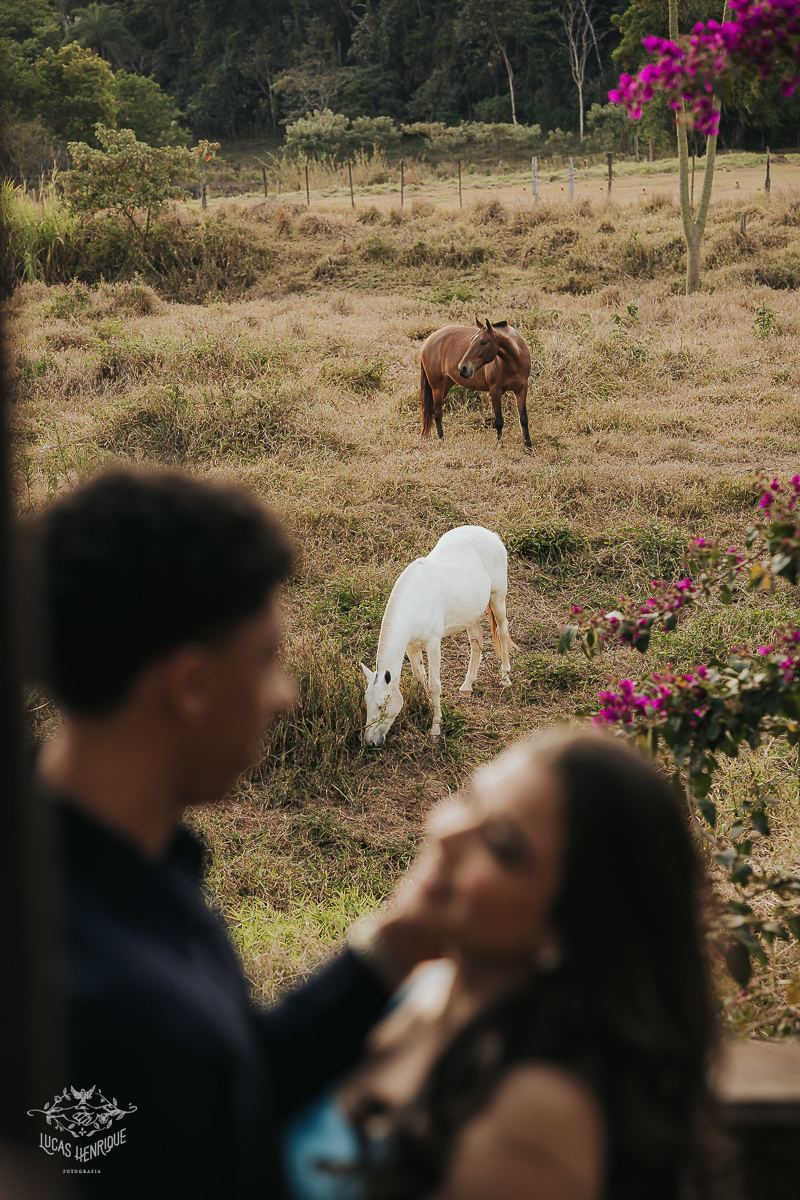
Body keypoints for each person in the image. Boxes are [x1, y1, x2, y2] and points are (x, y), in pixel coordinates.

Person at [24, 469, 434, 1200]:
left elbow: (224, 1090)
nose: (288, 696)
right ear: (191, 686)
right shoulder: (106, 1013)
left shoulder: (123, 866)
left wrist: (393, 947)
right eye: (268, 660)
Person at [281, 732, 718, 1200]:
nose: (446, 832)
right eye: (471, 798)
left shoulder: (538, 1116)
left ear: (572, 924)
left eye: (501, 845)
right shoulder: (423, 986)